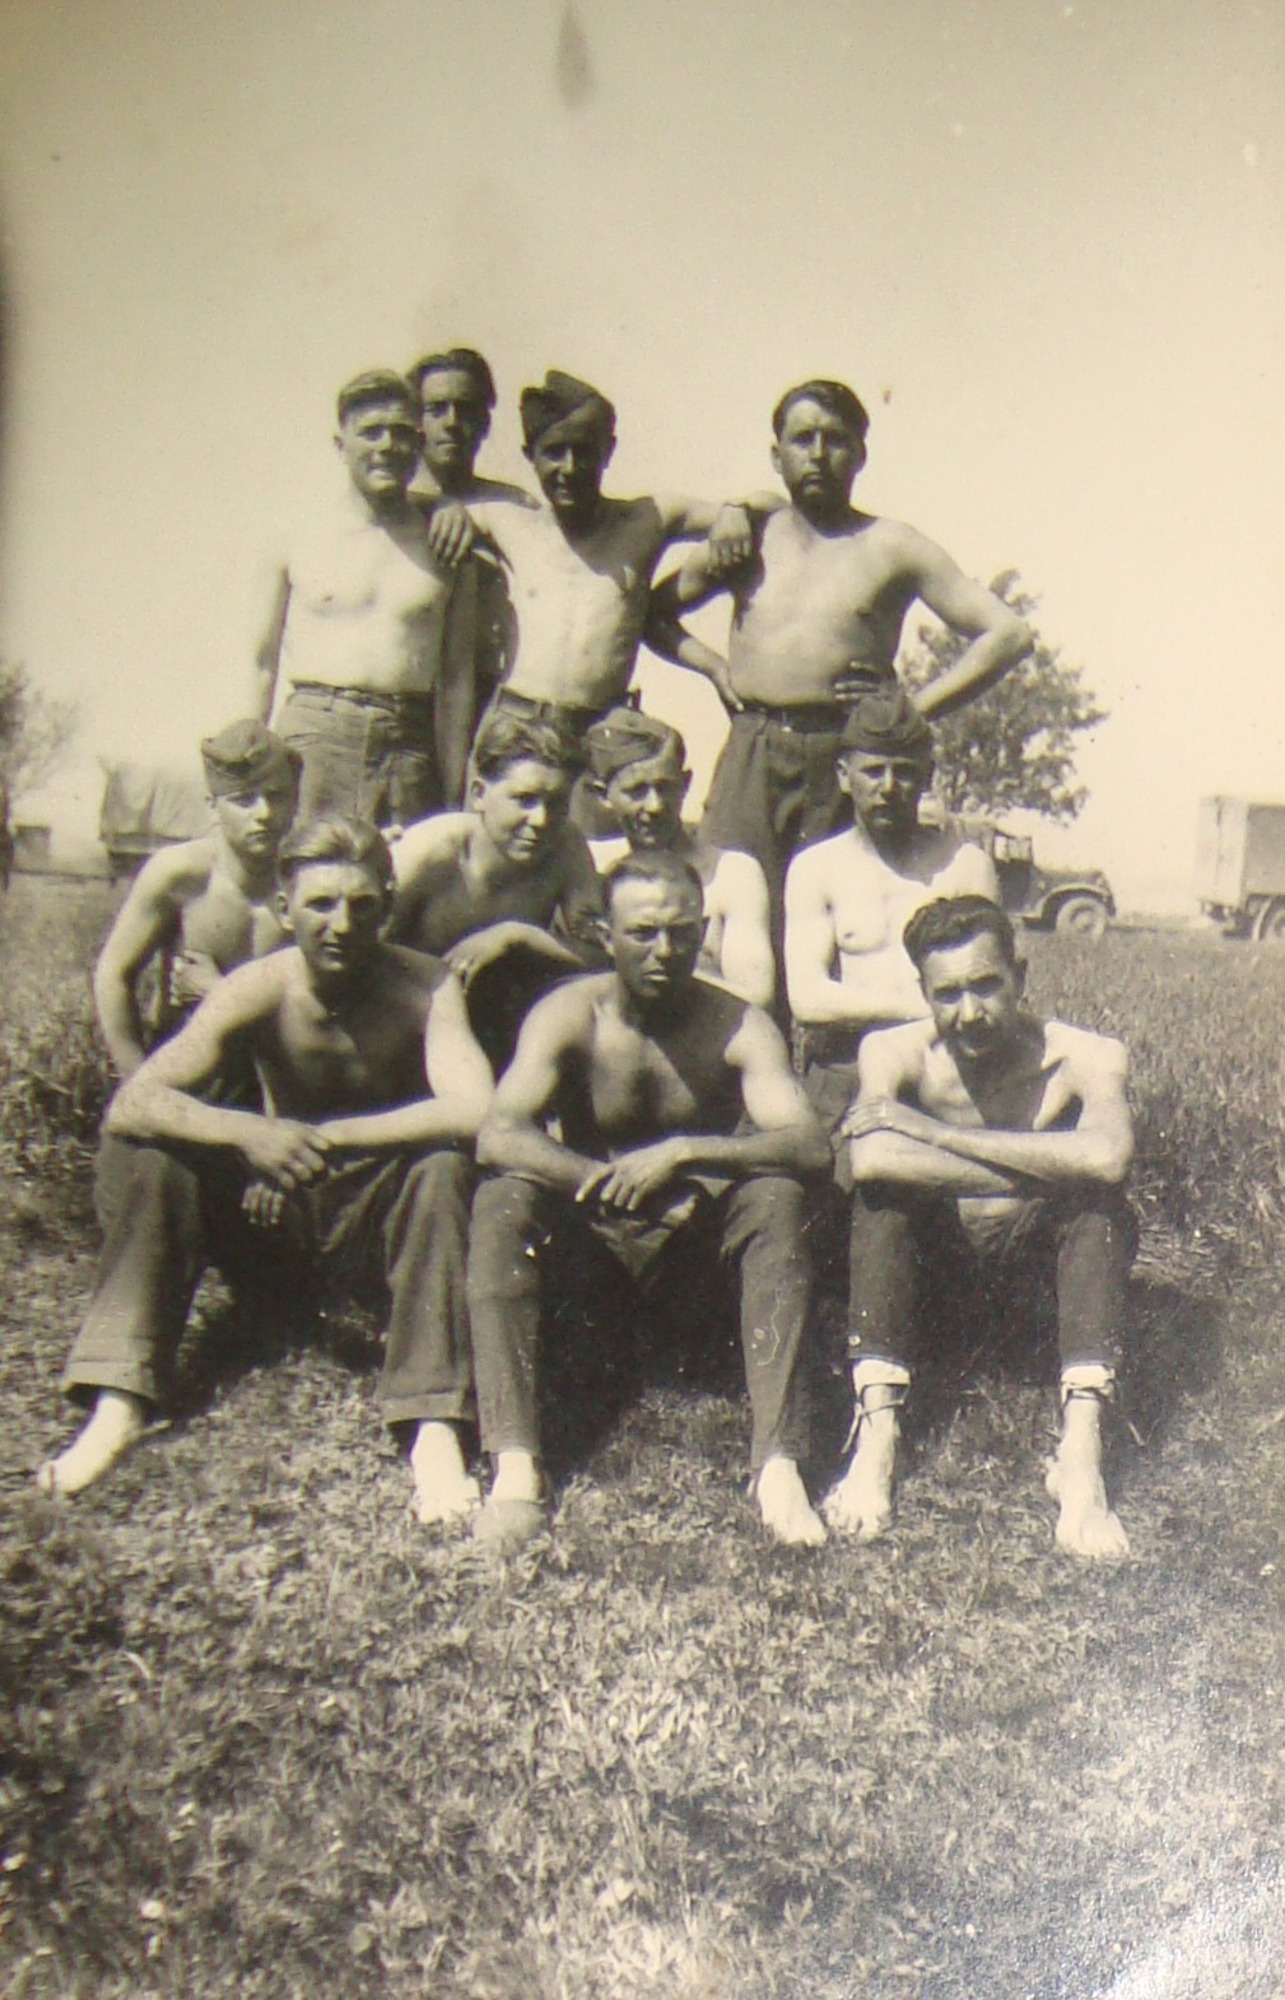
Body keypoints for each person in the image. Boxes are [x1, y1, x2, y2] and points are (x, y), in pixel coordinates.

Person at [38, 817, 493, 1522]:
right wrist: (247, 1134)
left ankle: (433, 1424)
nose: (341, 924)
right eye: (319, 904)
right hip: (269, 1217)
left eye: (361, 904)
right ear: (284, 910)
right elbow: (135, 1102)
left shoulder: (425, 986)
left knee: (441, 1169)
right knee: (162, 1156)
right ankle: (119, 1399)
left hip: (371, 1218)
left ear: (387, 903)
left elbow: (474, 1108)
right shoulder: (257, 985)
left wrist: (327, 1137)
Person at [466, 850, 832, 1552]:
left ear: (702, 933)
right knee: (502, 1199)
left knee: (777, 1198)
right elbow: (498, 1134)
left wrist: (685, 1153)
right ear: (605, 935)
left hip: (690, 1249)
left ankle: (779, 1465)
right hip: (591, 1248)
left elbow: (810, 1146)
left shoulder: (736, 1023)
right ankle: (514, 1466)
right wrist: (606, 1183)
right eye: (642, 932)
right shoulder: (569, 1014)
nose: (664, 950)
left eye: (682, 932)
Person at [646, 378, 1032, 909]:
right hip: (754, 746)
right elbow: (653, 614)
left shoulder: (892, 546)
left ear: (860, 455)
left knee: (839, 908)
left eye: (836, 439)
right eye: (803, 438)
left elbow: (1009, 634)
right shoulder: (750, 534)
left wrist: (910, 711)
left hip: (846, 756)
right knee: (727, 902)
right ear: (776, 455)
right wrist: (713, 667)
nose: (819, 454)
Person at [827, 895, 1136, 1560]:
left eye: (986, 985)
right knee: (881, 1200)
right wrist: (1047, 1165)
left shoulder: (1084, 1053)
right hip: (935, 1279)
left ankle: (1082, 1452)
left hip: (1033, 1282)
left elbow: (1109, 1157)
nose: (969, 1012)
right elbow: (871, 1158)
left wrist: (933, 1133)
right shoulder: (892, 1050)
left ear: (1019, 976)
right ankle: (878, 1433)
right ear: (923, 992)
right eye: (947, 994)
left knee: (1099, 1209)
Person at [457, 370, 765, 740]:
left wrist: (735, 510)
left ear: (609, 450)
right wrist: (446, 511)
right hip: (519, 724)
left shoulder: (648, 519)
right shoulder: (506, 520)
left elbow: (774, 510)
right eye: (553, 452)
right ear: (530, 456)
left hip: (603, 732)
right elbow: (418, 514)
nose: (569, 468)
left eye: (584, 451)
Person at [249, 370, 476, 824]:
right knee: (304, 863)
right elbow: (260, 662)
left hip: (408, 741)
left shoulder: (448, 544)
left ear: (419, 443)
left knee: (408, 867)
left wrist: (454, 788)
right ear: (341, 444)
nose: (387, 445)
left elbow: (456, 682)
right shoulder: (295, 535)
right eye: (371, 431)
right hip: (314, 735)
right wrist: (250, 765)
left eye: (401, 432)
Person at [783, 688, 997, 1149]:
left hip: (948, 1063)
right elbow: (808, 999)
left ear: (927, 776)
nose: (888, 787)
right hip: (849, 1065)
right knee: (835, 1177)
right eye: (873, 771)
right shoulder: (816, 868)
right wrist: (928, 1007)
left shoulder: (966, 865)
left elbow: (993, 983)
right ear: (844, 775)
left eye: (904, 771)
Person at [389, 709, 605, 1068]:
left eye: (557, 804)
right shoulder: (430, 850)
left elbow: (601, 955)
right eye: (524, 798)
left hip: (501, 1021)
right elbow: (359, 949)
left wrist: (515, 935)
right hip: (408, 1017)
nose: (541, 820)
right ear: (479, 794)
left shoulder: (566, 847)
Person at [92, 721, 301, 1078]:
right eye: (244, 799)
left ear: (296, 801)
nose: (264, 813)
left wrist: (216, 991)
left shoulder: (309, 880)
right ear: (212, 806)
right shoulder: (180, 874)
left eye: (277, 795)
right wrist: (138, 1082)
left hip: (281, 1073)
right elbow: (113, 974)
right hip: (189, 1068)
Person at [583, 707, 774, 1007]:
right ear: (602, 794)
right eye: (636, 791)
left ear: (685, 784)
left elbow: (757, 996)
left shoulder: (731, 872)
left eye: (665, 787)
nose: (655, 805)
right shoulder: (592, 864)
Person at [407, 347, 523, 733]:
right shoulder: (390, 504)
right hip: (407, 701)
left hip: (485, 700)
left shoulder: (512, 505)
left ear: (485, 423)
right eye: (436, 409)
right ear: (414, 420)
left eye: (466, 409)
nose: (452, 422)